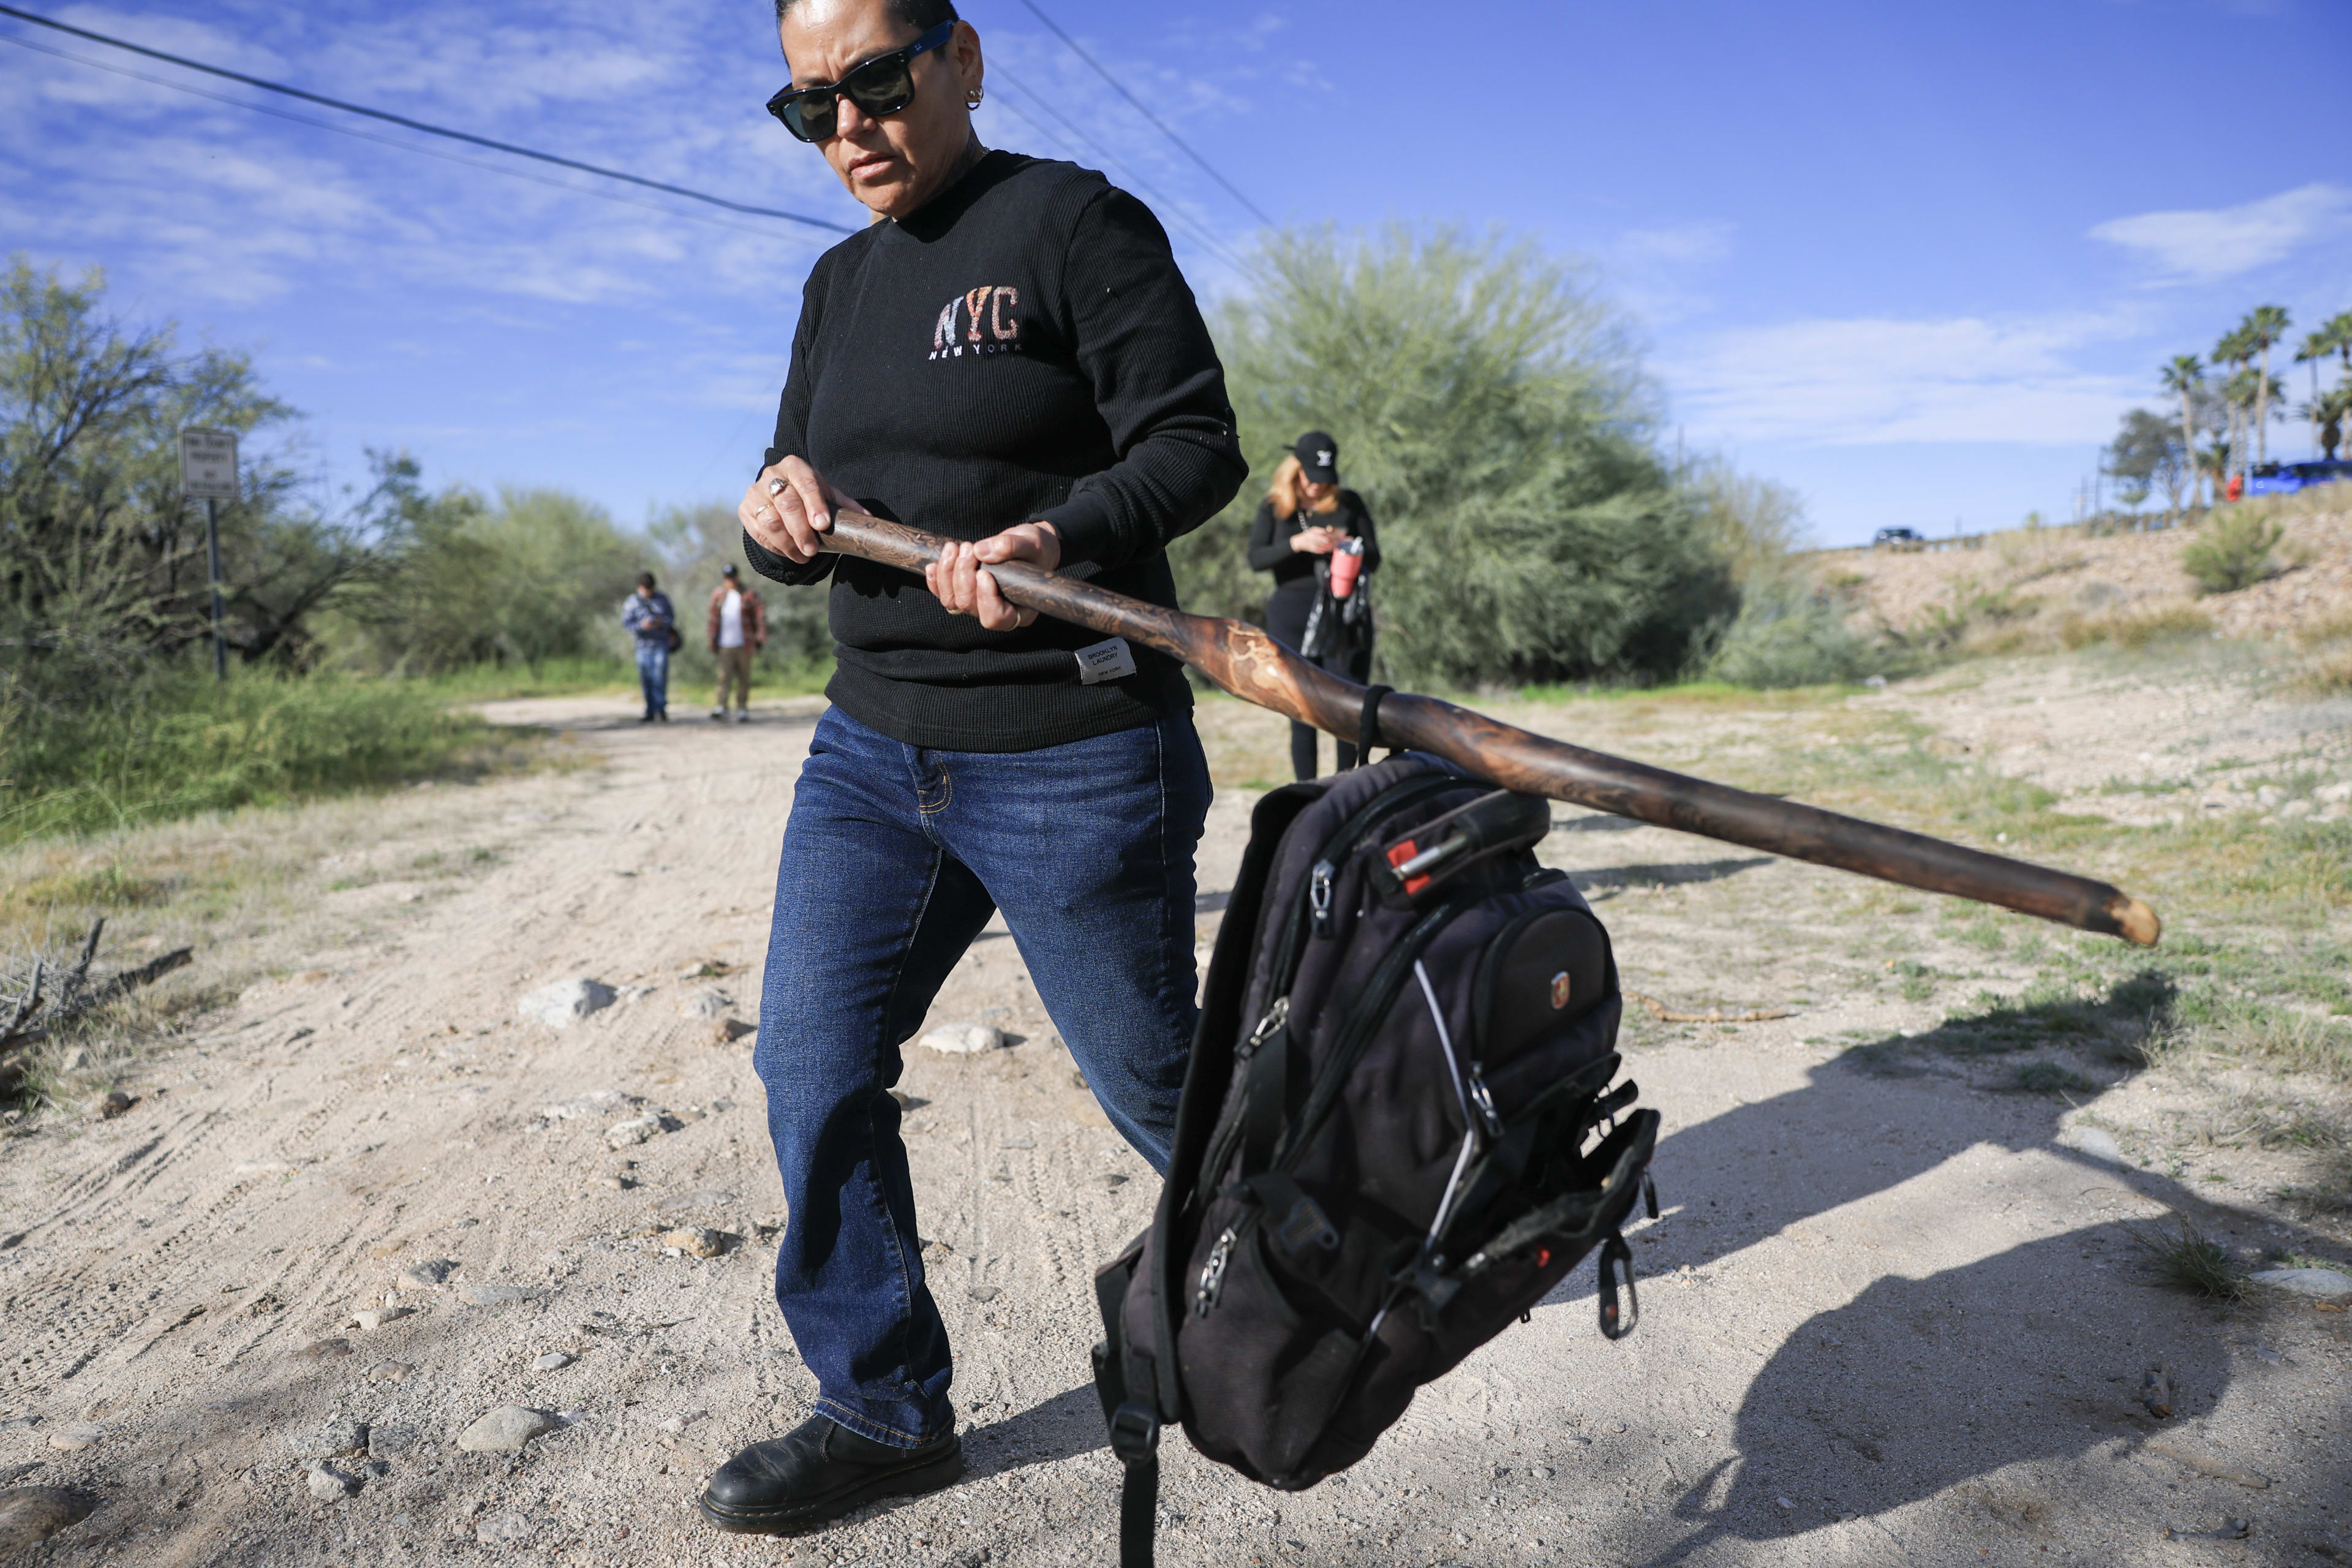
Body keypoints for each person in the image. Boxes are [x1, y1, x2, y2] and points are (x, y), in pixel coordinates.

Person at [700, 0, 1244, 1538]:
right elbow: (796, 503)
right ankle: (881, 1404)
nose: (848, 125)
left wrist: (1057, 534)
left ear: (964, 59)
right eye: (810, 104)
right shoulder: (835, 284)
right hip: (871, 753)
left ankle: (1349, 1254)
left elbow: (1192, 442)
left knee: (1159, 1083)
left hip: (1074, 746)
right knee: (812, 1064)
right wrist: (773, 515)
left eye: (875, 81)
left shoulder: (1071, 223)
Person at [1247, 431, 1381, 778]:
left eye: (1326, 478)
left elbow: (1375, 558)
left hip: (1343, 613)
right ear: (1296, 469)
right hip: (1291, 614)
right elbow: (1256, 558)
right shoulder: (1274, 507)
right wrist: (1298, 543)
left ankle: (1345, 786)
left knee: (1347, 704)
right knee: (1300, 707)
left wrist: (1347, 543)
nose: (1319, 486)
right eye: (1312, 477)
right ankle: (1306, 791)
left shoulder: (1349, 503)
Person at [709, 564, 767, 722]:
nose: (730, 580)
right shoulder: (718, 595)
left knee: (744, 678)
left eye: (732, 577)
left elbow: (760, 616)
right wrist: (711, 640)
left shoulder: (748, 594)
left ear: (737, 577)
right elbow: (712, 620)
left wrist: (760, 637)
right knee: (723, 677)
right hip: (724, 644)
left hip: (744, 643)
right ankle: (721, 706)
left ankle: (742, 708)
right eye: (727, 578)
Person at [621, 571, 676, 722]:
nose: (648, 592)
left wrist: (660, 622)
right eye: (646, 589)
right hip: (642, 646)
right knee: (646, 678)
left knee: (660, 676)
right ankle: (650, 710)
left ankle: (661, 709)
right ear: (639, 587)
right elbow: (626, 624)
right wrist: (641, 626)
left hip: (660, 644)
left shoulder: (662, 599)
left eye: (650, 589)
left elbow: (671, 618)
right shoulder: (632, 602)